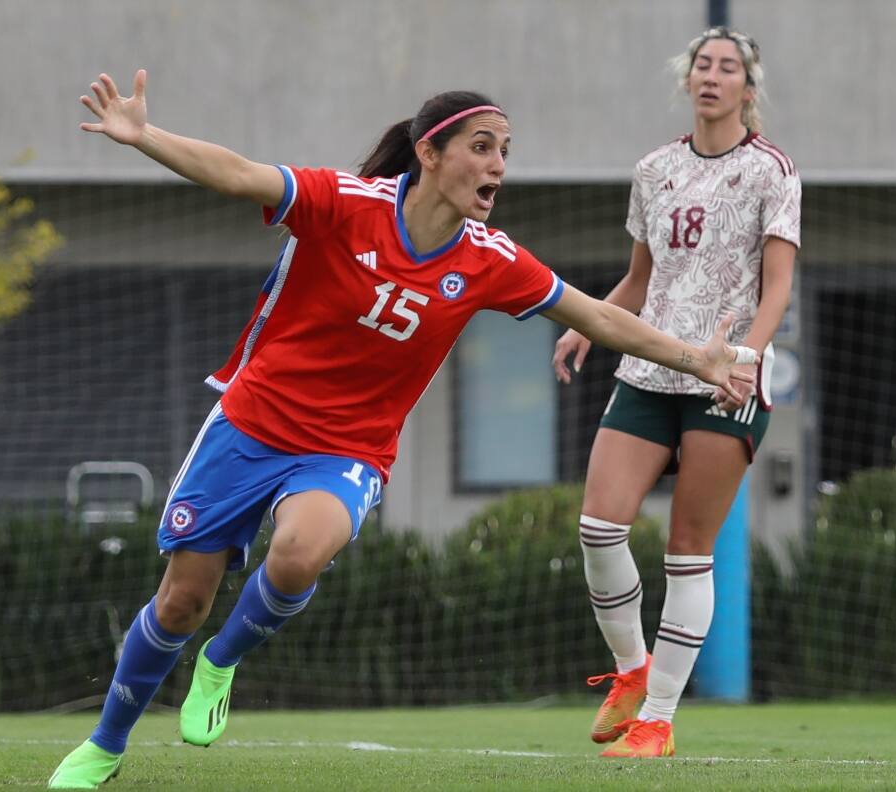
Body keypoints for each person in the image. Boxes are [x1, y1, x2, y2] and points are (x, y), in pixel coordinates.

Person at [48, 68, 758, 789]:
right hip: (249, 423)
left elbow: (597, 316)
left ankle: (220, 660)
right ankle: (105, 745)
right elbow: (236, 175)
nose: (498, 166)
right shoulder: (341, 203)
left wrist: (693, 358)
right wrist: (144, 137)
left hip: (346, 450)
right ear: (429, 152)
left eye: (505, 151)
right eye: (482, 147)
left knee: (299, 553)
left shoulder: (490, 259)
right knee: (180, 600)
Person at [552, 26, 800, 759]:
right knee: (599, 527)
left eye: (728, 68)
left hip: (728, 377)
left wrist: (750, 357)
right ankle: (633, 671)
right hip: (653, 367)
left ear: (747, 90)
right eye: (702, 65)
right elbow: (640, 276)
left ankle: (657, 721)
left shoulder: (772, 171)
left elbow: (779, 284)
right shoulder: (654, 168)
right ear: (687, 80)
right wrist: (590, 322)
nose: (712, 76)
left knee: (689, 552)